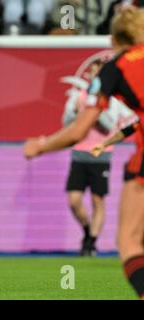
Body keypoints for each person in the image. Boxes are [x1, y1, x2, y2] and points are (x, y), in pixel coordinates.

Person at [23, 7, 144, 298]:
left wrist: (40, 146)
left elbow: (78, 130)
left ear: (114, 40)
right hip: (98, 153)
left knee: (130, 243)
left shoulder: (115, 68)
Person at [62, 59, 136, 256]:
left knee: (98, 200)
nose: (97, 77)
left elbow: (111, 125)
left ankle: (91, 244)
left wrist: (94, 109)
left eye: (100, 73)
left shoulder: (112, 101)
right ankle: (87, 231)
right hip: (80, 154)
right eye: (93, 73)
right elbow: (67, 123)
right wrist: (80, 109)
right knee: (74, 200)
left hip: (101, 157)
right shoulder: (79, 96)